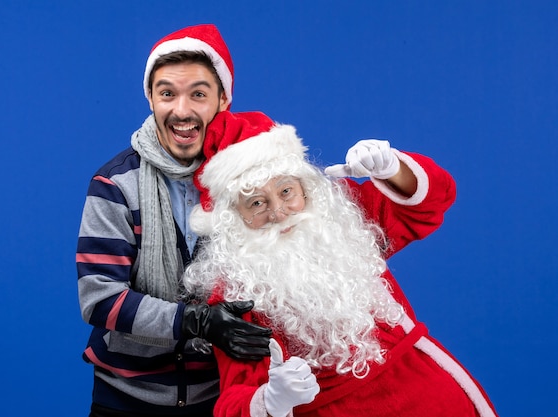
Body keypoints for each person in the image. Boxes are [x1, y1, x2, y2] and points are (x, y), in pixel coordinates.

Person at [182, 110, 499, 416]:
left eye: (286, 191)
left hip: (431, 395)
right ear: (234, 219)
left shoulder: (340, 223)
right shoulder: (235, 291)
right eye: (256, 203)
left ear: (305, 187)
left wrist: (392, 168)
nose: (279, 213)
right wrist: (270, 400)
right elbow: (234, 400)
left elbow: (432, 203)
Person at [76, 25, 272, 417]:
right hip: (127, 399)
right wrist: (197, 321)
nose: (181, 110)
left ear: (223, 100)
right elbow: (100, 299)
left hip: (222, 399)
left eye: (198, 93)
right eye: (167, 93)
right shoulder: (115, 184)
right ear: (150, 98)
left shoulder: (252, 182)